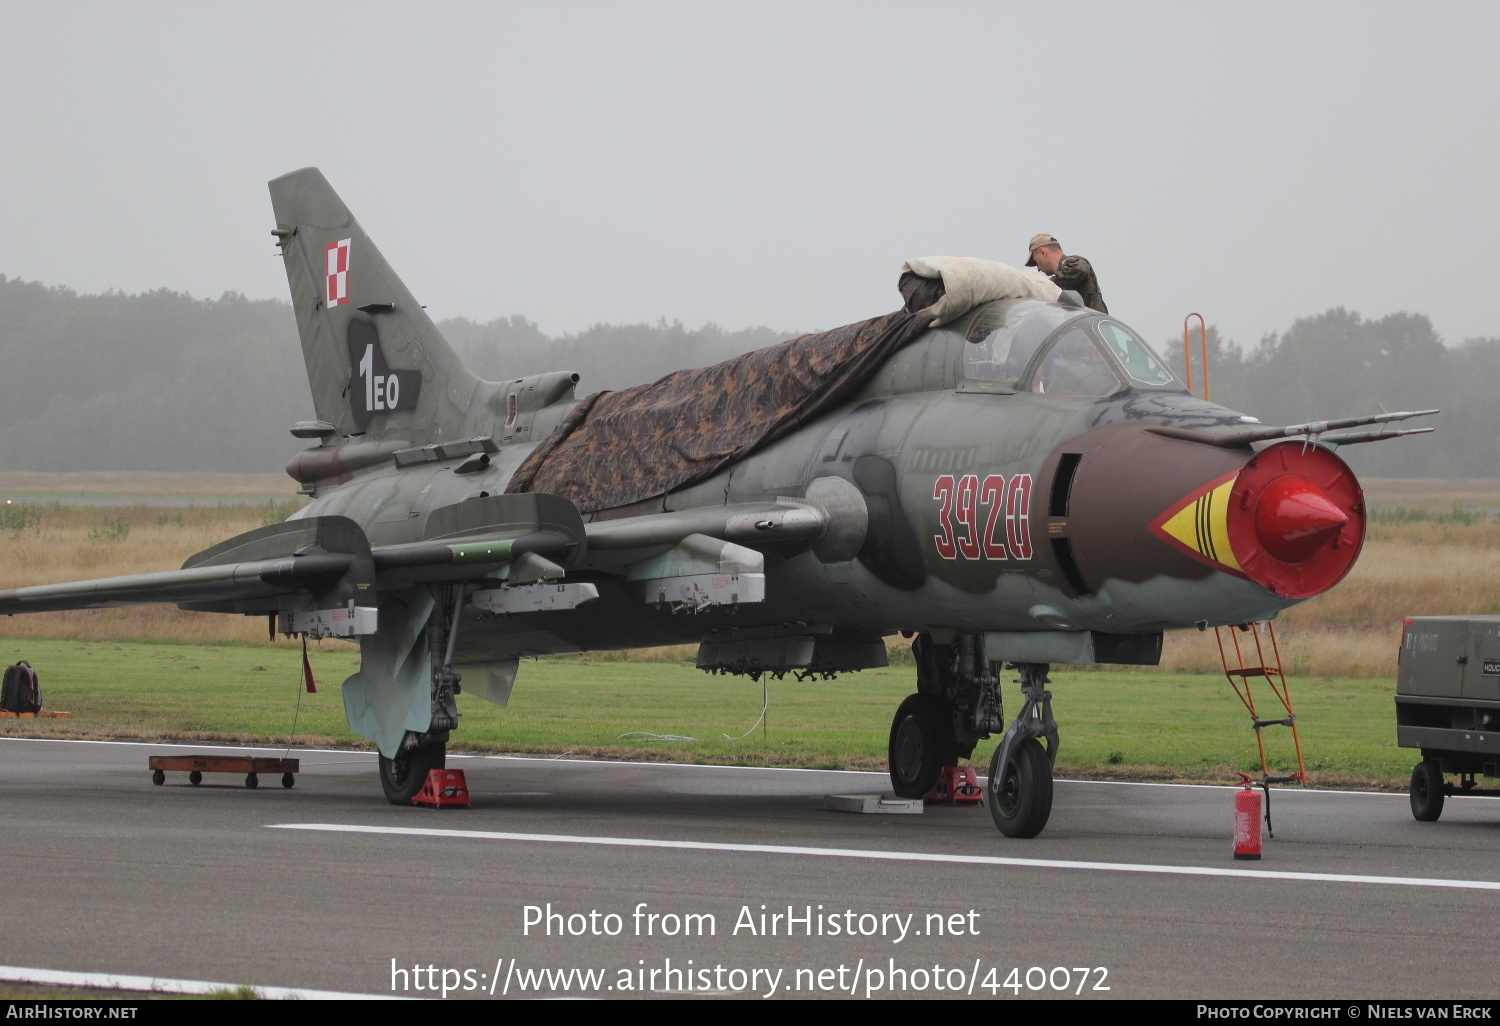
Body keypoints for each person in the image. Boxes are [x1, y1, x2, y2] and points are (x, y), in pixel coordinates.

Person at [1025, 233, 1107, 314]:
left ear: (1042, 252)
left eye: (1036, 262)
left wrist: (1044, 286)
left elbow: (1081, 269)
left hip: (1092, 324)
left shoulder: (1075, 263)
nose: (1038, 268)